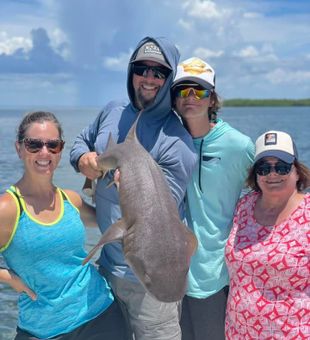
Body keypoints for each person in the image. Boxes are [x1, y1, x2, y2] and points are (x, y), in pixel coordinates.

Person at [70, 37, 197, 340]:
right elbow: (79, 143)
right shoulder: (112, 110)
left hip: (149, 284)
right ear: (131, 72)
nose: (149, 78)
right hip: (105, 274)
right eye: (142, 69)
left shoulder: (177, 140)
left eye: (159, 73)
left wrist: (127, 185)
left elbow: (157, 214)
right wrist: (82, 160)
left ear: (169, 80)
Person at [0, 111, 126, 340]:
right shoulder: (7, 208)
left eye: (53, 145)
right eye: (34, 145)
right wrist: (8, 278)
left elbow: (113, 222)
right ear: (19, 148)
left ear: (60, 150)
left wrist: (121, 187)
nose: (44, 152)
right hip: (43, 331)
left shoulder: (70, 200)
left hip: (101, 316)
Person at [171, 57, 255, 340]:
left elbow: (269, 189)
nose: (191, 97)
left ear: (212, 99)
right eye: (183, 90)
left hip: (216, 274)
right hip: (171, 276)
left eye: (200, 90)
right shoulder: (167, 141)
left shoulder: (238, 145)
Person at [225, 130, 310, 339]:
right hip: (238, 332)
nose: (273, 174)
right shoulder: (244, 206)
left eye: (282, 167)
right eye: (264, 168)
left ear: (297, 172)